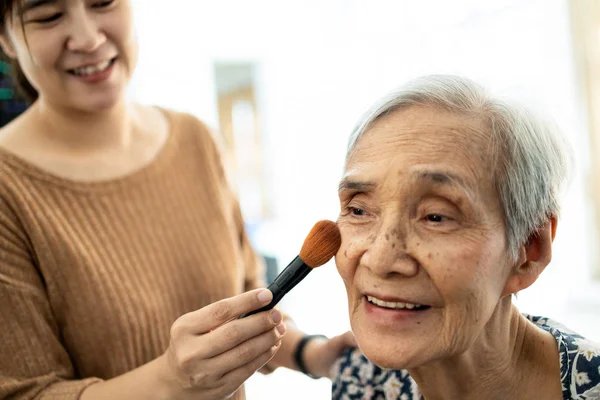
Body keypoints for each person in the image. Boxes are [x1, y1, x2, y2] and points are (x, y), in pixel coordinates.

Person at [0, 1, 355, 399]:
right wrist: (171, 380)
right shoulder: (8, 190)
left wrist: (314, 354)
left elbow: (250, 296)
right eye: (48, 16)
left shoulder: (195, 140)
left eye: (102, 3)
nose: (88, 38)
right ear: (6, 38)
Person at [331, 74, 600, 400]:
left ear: (529, 248)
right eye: (359, 211)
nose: (380, 259)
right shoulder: (362, 381)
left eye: (436, 217)